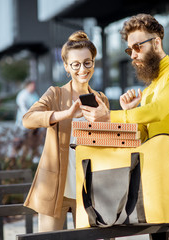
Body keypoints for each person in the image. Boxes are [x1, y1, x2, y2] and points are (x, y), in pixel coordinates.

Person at [81, 14, 169, 240]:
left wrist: (110, 116)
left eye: (136, 47)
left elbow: (159, 110)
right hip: (158, 177)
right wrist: (133, 114)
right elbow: (146, 137)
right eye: (129, 50)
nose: (133, 55)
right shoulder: (151, 88)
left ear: (156, 42)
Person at [22, 30, 110, 232]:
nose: (82, 69)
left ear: (94, 63)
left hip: (89, 189)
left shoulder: (101, 99)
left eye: (87, 62)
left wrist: (124, 114)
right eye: (75, 64)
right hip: (54, 188)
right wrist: (65, 114)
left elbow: (110, 142)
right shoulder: (55, 94)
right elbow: (27, 119)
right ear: (66, 67)